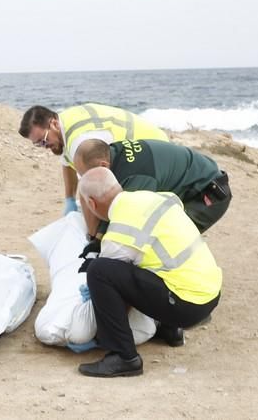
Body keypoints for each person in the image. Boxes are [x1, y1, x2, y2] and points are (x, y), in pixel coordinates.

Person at [76, 167, 222, 377]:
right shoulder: (156, 197)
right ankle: (169, 330)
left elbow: (117, 290)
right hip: (209, 292)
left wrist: (104, 325)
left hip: (186, 305)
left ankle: (124, 357)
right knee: (149, 261)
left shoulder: (118, 234)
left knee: (99, 271)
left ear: (91, 203)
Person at [18, 103, 169, 214]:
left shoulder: (81, 140)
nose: (44, 146)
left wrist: (94, 236)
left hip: (154, 153)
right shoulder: (63, 127)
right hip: (138, 154)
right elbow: (66, 163)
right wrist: (69, 199)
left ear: (54, 123)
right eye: (37, 144)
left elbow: (95, 188)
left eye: (43, 140)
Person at [74, 138, 231, 239]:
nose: (86, 179)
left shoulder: (135, 178)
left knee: (167, 239)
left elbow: (122, 219)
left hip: (209, 194)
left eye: (87, 174)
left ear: (103, 165)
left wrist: (98, 239)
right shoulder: (113, 152)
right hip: (193, 181)